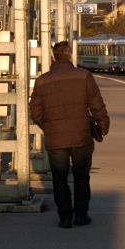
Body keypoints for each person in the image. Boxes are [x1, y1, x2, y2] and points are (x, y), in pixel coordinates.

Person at [30, 41, 109, 228]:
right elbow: (96, 104)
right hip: (81, 136)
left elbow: (35, 112)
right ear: (70, 56)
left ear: (54, 57)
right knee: (81, 177)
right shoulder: (84, 76)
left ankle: (65, 218)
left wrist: (49, 127)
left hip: (56, 139)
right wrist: (103, 125)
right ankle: (81, 216)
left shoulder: (42, 81)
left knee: (60, 179)